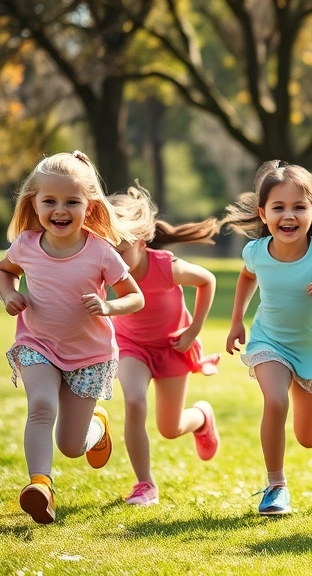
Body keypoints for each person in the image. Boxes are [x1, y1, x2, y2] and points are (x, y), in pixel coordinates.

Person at [0, 151, 144, 524]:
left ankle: (96, 427)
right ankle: (40, 485)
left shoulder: (100, 251)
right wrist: (10, 293)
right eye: (50, 201)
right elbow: (5, 271)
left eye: (71, 202)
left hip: (90, 356)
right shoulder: (27, 245)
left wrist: (109, 307)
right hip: (38, 344)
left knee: (70, 445)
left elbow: (135, 296)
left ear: (89, 205)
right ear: (34, 203)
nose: (59, 210)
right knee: (42, 406)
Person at [223, 160, 312, 516]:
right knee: (275, 402)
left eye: (299, 207)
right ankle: (275, 486)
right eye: (279, 207)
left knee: (306, 436)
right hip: (270, 341)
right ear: (263, 213)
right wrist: (237, 320)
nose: (289, 215)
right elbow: (247, 277)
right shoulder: (255, 251)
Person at [110, 184, 224, 506]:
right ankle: (145, 484)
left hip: (173, 347)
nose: (113, 262)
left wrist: (192, 330)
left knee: (170, 428)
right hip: (131, 345)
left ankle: (202, 417)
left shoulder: (166, 266)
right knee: (134, 403)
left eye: (119, 252)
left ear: (141, 242)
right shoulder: (107, 267)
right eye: (107, 251)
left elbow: (208, 281)